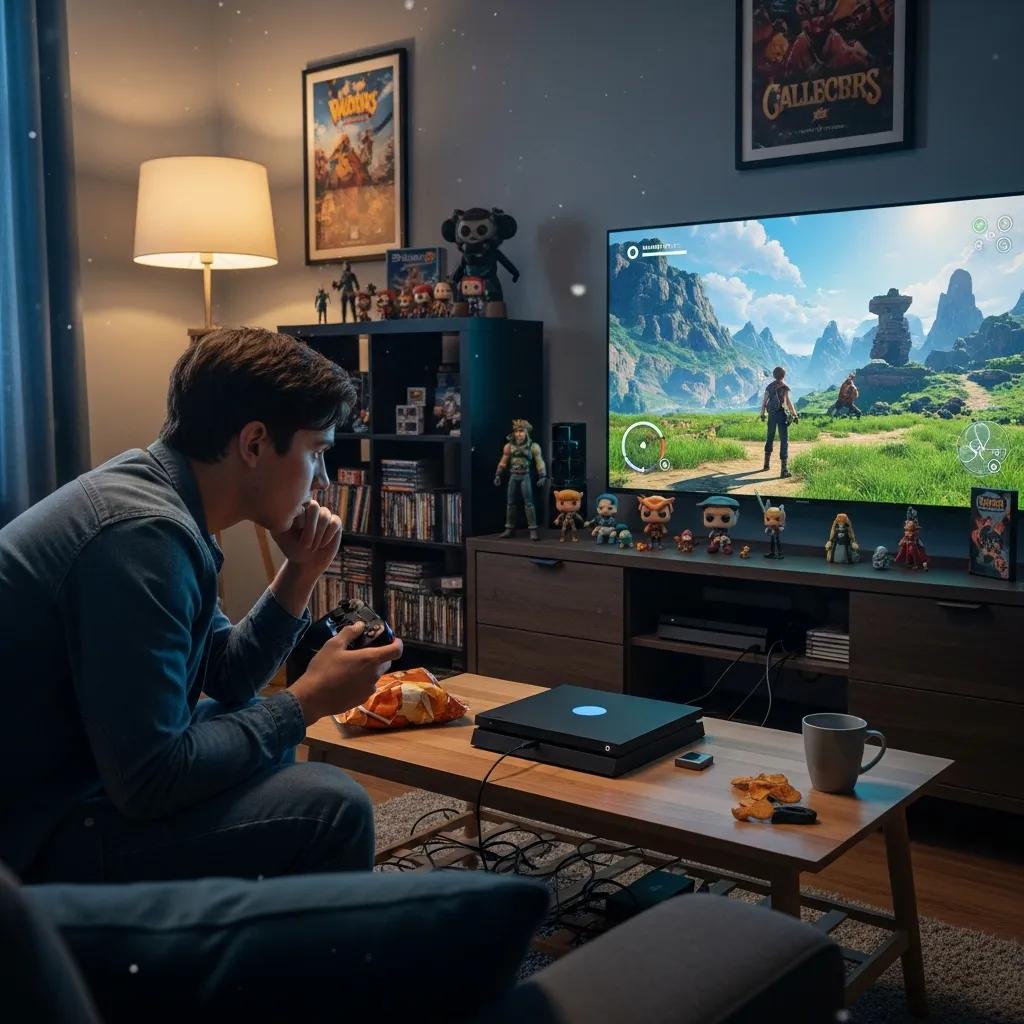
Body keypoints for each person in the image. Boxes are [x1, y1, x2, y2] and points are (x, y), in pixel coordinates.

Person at [0, 326, 402, 884]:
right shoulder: (141, 539)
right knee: (333, 807)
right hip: (33, 832)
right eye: (316, 454)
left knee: (259, 742)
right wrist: (304, 702)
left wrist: (302, 571)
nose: (325, 480)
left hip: (79, 775)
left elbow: (227, 673)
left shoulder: (163, 497)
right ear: (255, 443)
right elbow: (149, 781)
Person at [760, 366, 800, 478]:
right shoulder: (784, 387)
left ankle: (766, 465)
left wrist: (762, 414)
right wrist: (795, 415)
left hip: (772, 415)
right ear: (784, 375)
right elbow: (788, 403)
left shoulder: (769, 387)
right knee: (784, 441)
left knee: (770, 437)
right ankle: (784, 470)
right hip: (782, 415)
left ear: (773, 375)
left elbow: (764, 402)